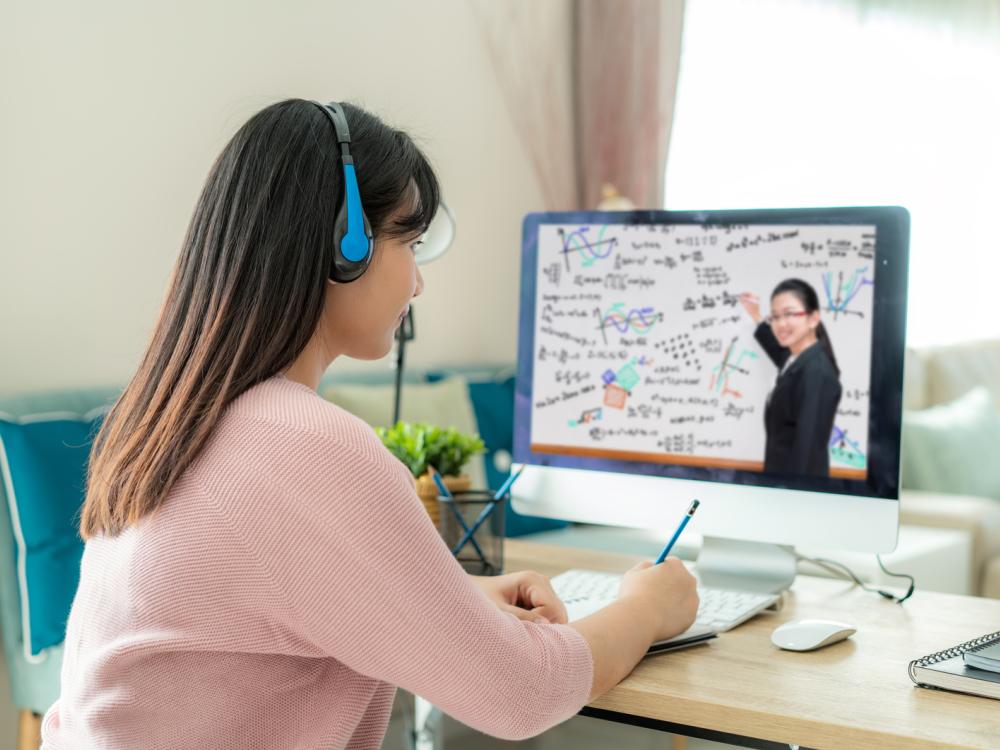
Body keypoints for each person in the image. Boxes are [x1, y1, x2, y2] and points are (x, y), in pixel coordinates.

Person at [41, 99, 699, 749]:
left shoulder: (166, 418)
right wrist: (646, 608)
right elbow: (521, 694)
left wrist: (453, 605)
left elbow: (242, 608)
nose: (417, 282)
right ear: (345, 244)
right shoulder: (302, 444)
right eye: (408, 242)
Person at [739, 279, 842, 477]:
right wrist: (756, 315)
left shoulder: (816, 374)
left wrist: (792, 500)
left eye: (789, 314)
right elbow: (775, 348)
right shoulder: (795, 359)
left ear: (813, 318)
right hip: (780, 483)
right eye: (775, 316)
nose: (781, 324)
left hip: (796, 492)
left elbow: (807, 452)